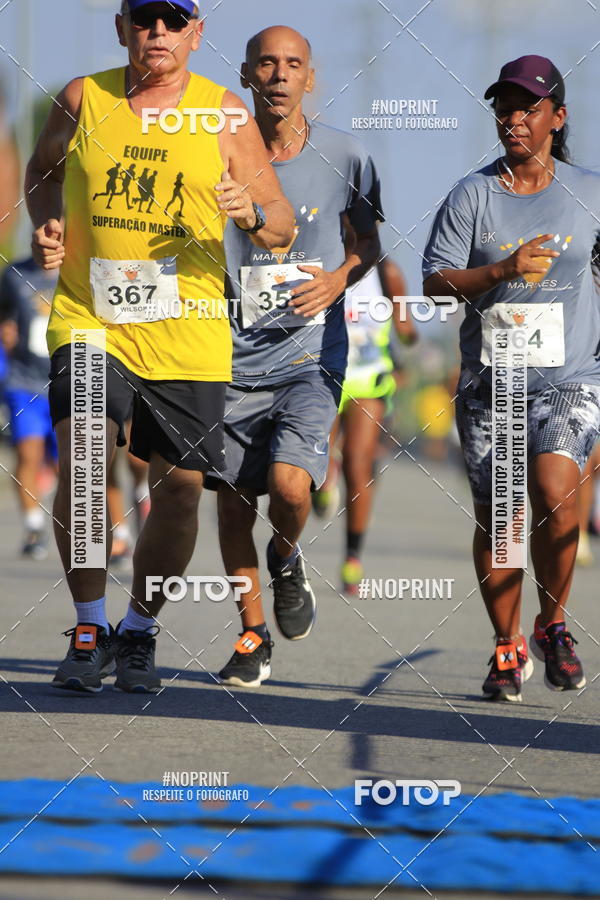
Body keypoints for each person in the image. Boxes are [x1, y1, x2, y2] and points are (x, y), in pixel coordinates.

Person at [27, 0, 294, 694]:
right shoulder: (85, 97)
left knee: (177, 493)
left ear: (196, 35)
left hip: (188, 331)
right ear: (122, 29)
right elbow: (42, 171)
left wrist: (252, 214)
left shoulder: (225, 116)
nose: (158, 34)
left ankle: (138, 632)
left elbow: (283, 225)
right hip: (91, 319)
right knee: (86, 454)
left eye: (173, 22)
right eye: (144, 20)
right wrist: (47, 224)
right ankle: (89, 628)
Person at [206, 26, 383, 688]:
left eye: (294, 65)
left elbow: (369, 243)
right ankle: (252, 634)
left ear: (312, 78)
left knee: (288, 485)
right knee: (229, 501)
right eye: (267, 64)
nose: (280, 75)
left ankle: (285, 556)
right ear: (248, 76)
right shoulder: (212, 150)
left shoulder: (348, 154)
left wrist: (338, 279)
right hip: (224, 356)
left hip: (310, 357)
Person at [423, 55, 600, 700]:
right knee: (501, 517)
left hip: (571, 376)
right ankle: (507, 645)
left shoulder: (590, 191)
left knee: (556, 494)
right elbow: (436, 283)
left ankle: (553, 623)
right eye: (504, 107)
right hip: (493, 382)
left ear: (558, 116)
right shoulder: (472, 195)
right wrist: (500, 271)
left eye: (528, 107)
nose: (514, 119)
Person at [312, 257, 417, 594]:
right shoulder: (321, 260)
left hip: (367, 380)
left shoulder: (387, 273)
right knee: (318, 456)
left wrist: (406, 329)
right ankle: (325, 482)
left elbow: (406, 330)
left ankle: (352, 556)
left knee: (359, 464)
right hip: (325, 374)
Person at [0, 256, 59, 559]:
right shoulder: (14, 274)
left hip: (67, 382)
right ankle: (33, 528)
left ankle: (76, 532)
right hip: (24, 381)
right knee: (26, 451)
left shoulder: (78, 267)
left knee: (72, 466)